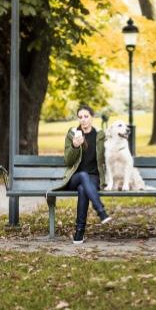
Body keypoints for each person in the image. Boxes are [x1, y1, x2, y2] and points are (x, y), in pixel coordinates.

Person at [52, 104, 112, 244]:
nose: (83, 120)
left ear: (92, 117)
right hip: (75, 177)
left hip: (94, 178)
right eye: (80, 117)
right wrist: (74, 146)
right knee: (83, 177)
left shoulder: (99, 135)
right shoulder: (72, 133)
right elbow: (68, 160)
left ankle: (79, 233)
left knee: (83, 189)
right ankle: (100, 211)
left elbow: (106, 154)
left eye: (86, 116)